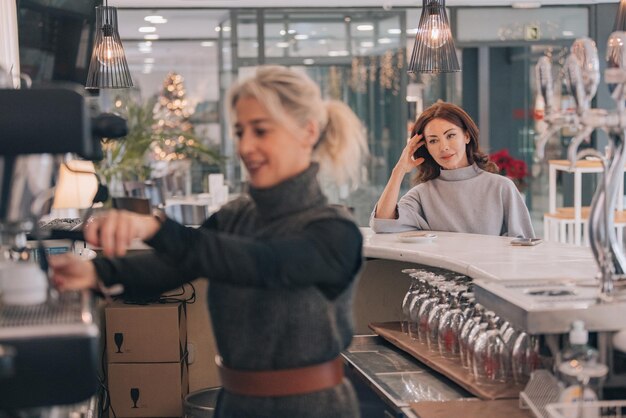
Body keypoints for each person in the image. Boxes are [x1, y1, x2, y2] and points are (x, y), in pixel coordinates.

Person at [49, 65, 368, 418]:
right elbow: (176, 265)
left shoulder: (335, 232)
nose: (246, 146)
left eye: (261, 131)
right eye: (240, 131)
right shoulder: (234, 216)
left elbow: (262, 263)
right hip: (235, 406)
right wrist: (95, 274)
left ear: (308, 132)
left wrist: (155, 227)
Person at [370, 101, 534, 238]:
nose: (444, 147)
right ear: (426, 147)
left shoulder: (501, 187)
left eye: (450, 136)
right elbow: (382, 223)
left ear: (467, 136)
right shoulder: (423, 194)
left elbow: (525, 246)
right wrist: (398, 171)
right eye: (433, 141)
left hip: (491, 275)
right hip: (438, 277)